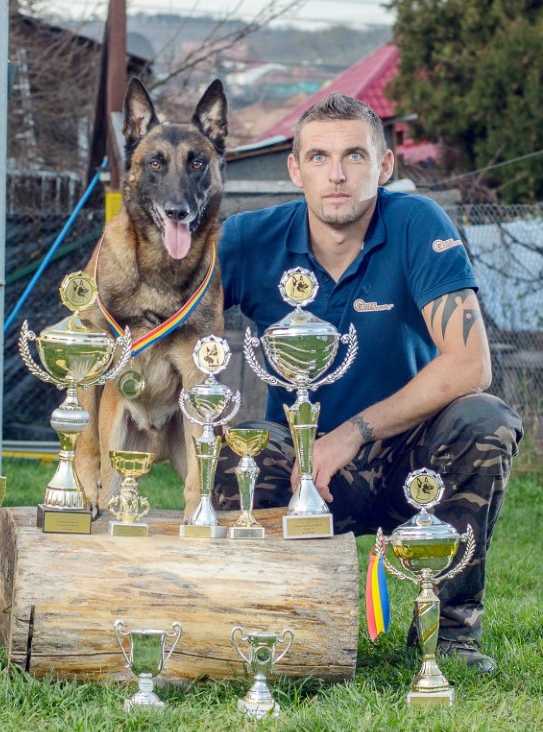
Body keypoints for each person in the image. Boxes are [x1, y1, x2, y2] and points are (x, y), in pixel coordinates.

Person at [214, 92, 523, 674]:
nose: (337, 174)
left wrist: (352, 432)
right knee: (242, 452)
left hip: (411, 460)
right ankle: (279, 626)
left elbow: (470, 364)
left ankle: (448, 633)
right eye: (319, 157)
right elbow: (166, 309)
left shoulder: (416, 223)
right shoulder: (247, 239)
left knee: (486, 420)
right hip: (304, 469)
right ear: (295, 169)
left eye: (354, 156)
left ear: (383, 166)